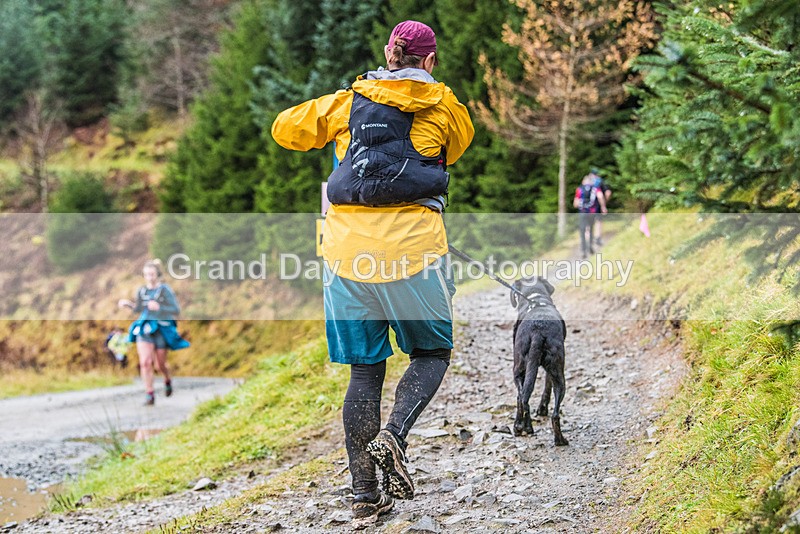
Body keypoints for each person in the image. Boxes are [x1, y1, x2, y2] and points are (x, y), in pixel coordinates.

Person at [271, 20, 474, 528]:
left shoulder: (347, 102)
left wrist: (345, 110)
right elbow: (459, 146)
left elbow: (284, 128)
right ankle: (395, 435)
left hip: (346, 257)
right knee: (431, 352)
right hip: (413, 254)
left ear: (388, 53)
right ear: (429, 61)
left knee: (365, 371)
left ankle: (363, 492)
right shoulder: (446, 108)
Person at [118, 259, 189, 405]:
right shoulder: (141, 291)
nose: (149, 277)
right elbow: (139, 309)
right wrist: (128, 304)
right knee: (145, 362)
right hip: (145, 328)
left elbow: (176, 310)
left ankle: (167, 379)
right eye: (146, 275)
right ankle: (149, 393)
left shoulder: (165, 290)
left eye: (152, 274)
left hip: (161, 328)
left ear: (157, 274)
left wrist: (160, 308)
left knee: (159, 365)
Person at [574, 174, 607, 258]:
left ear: (583, 181)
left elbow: (576, 203)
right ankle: (590, 246)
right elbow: (600, 196)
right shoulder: (595, 188)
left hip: (582, 213)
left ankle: (583, 250)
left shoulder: (579, 189)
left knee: (583, 231)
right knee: (591, 229)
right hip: (592, 212)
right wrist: (603, 207)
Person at [589, 168, 611, 245]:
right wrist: (604, 205)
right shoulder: (599, 181)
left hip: (586, 207)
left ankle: (588, 240)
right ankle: (597, 238)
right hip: (597, 205)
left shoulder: (586, 180)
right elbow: (606, 193)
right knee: (598, 221)